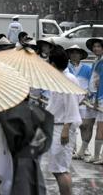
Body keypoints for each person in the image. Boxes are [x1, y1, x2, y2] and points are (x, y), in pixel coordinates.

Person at [0, 100, 53, 195]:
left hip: (13, 165)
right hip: (34, 166)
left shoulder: (7, 117)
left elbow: (2, 153)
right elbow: (43, 145)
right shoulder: (40, 114)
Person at [44, 47, 81, 195]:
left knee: (60, 169)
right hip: (56, 125)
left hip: (63, 127)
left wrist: (66, 128)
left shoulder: (68, 79)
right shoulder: (59, 77)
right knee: (57, 169)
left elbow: (72, 105)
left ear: (53, 63)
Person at [67, 45, 94, 160]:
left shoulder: (87, 69)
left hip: (84, 99)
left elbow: (91, 83)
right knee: (71, 125)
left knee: (85, 125)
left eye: (77, 53)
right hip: (71, 99)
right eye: (72, 53)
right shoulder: (66, 67)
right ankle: (71, 147)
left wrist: (88, 94)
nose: (74, 55)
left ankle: (84, 148)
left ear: (81, 55)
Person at [85, 37, 103, 163]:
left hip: (101, 98)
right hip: (94, 97)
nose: (96, 48)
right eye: (94, 46)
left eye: (98, 46)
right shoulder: (96, 60)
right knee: (91, 125)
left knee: (100, 128)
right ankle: (89, 152)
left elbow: (102, 82)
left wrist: (97, 99)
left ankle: (97, 156)